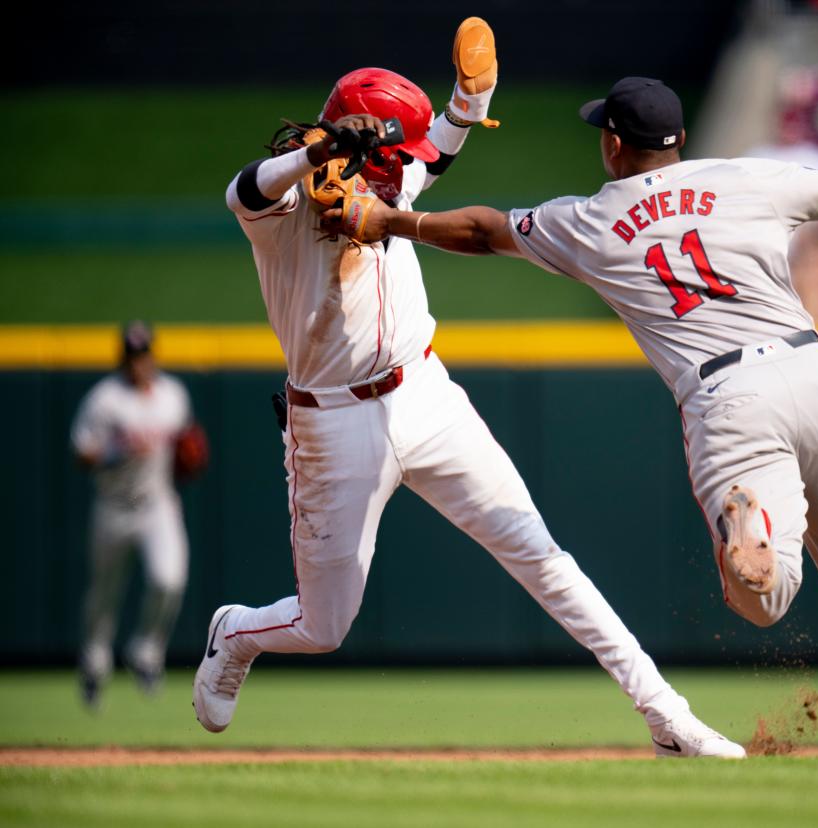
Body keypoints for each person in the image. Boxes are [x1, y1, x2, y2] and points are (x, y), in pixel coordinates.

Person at [326, 76, 818, 756]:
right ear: (680, 140)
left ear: (612, 144)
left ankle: (758, 535)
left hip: (731, 397)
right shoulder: (747, 177)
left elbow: (483, 230)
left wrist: (386, 221)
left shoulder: (592, 221)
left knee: (765, 598)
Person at [200, 22, 743, 759]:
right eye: (398, 156)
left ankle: (666, 716)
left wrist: (468, 97)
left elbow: (439, 150)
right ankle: (236, 633)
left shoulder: (394, 179)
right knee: (323, 628)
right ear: (357, 143)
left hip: (424, 394)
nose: (410, 170)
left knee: (541, 552)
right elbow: (241, 190)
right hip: (331, 426)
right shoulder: (287, 209)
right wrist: (320, 150)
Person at [72, 321, 198, 708]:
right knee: (104, 593)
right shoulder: (105, 400)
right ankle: (94, 663)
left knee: (169, 580)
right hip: (113, 507)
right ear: (122, 359)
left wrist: (188, 456)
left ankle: (146, 651)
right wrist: (112, 452)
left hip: (158, 504)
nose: (138, 363)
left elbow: (186, 444)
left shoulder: (173, 395)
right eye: (132, 356)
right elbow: (81, 451)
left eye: (143, 355)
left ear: (152, 356)